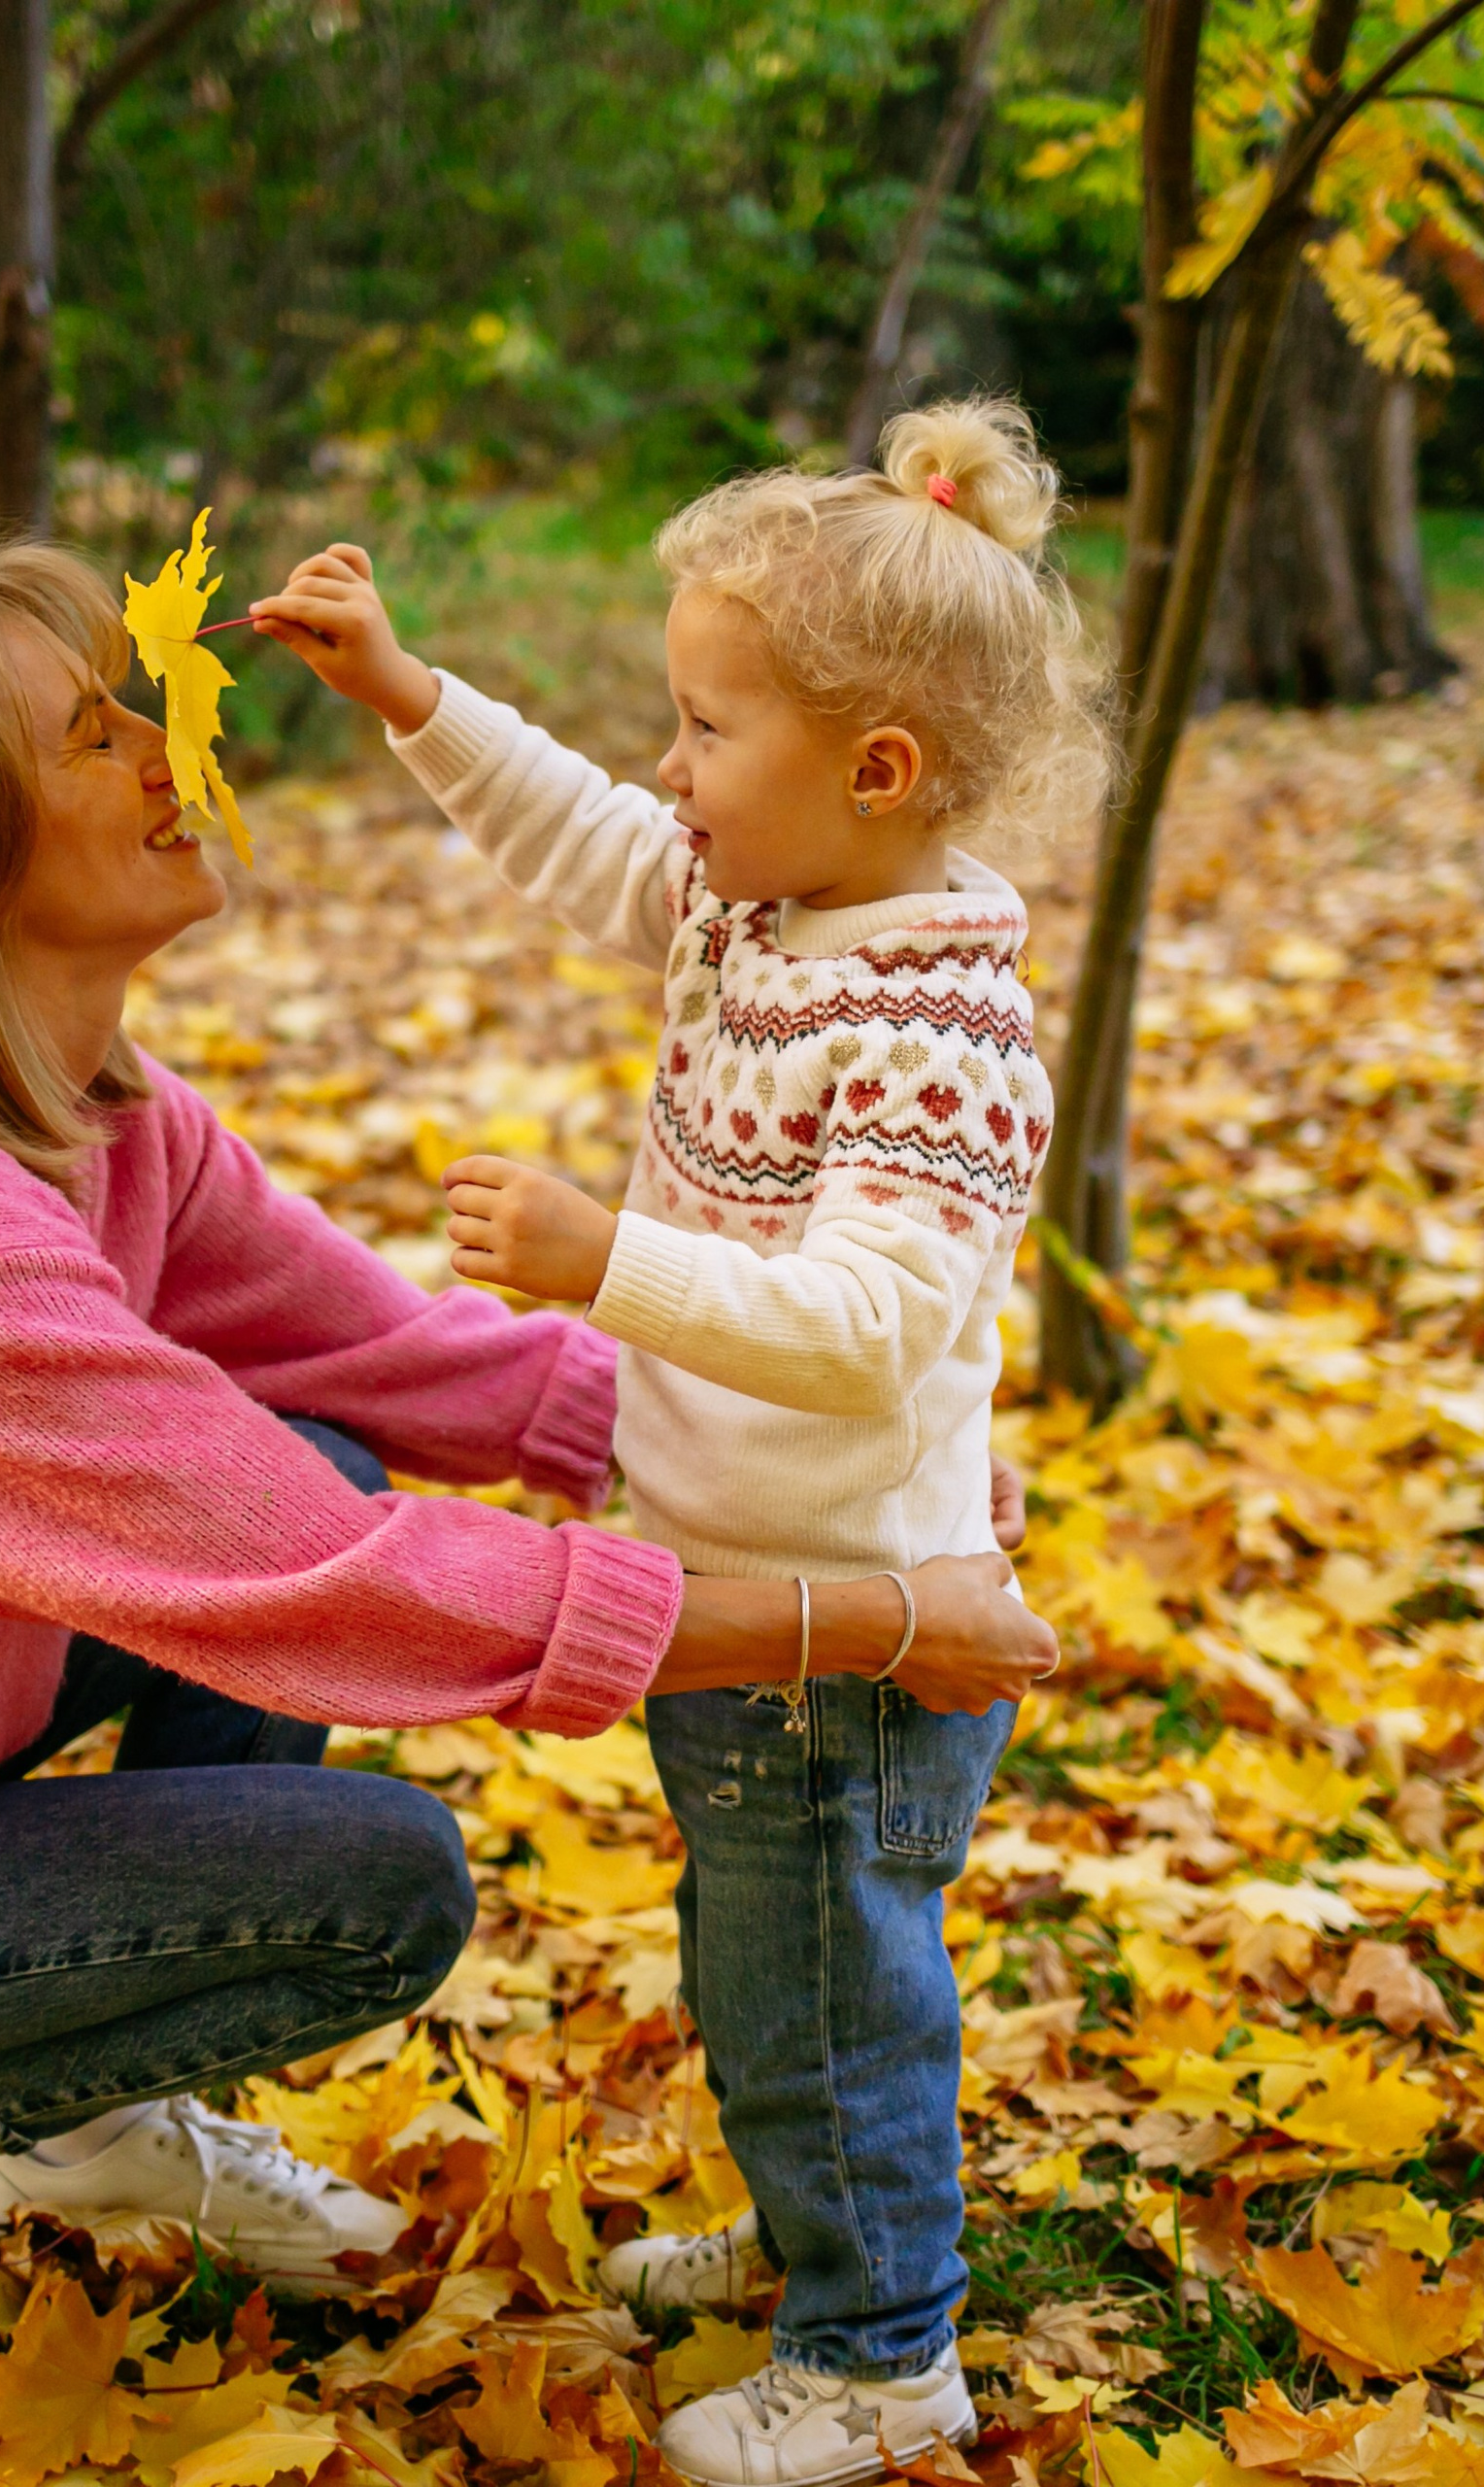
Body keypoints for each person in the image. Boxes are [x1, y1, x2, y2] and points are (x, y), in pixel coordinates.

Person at [0, 545, 1058, 2423]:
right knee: (370, 1890)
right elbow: (331, 1585)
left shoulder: (79, 1109)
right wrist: (872, 1618)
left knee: (319, 1436)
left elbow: (391, 1363)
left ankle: (76, 2110)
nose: (165, 744)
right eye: (87, 731)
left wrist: (829, 1460)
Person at [249, 398, 1104, 2487]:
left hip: (845, 1630)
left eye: (707, 730)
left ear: (874, 771)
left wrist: (595, 1257)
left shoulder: (934, 1033)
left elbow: (866, 1328)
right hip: (731, 1564)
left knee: (825, 1972)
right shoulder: (760, 906)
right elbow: (579, 835)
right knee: (766, 1959)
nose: (668, 767)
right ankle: (814, 2219)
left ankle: (881, 2342)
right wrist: (411, 696)